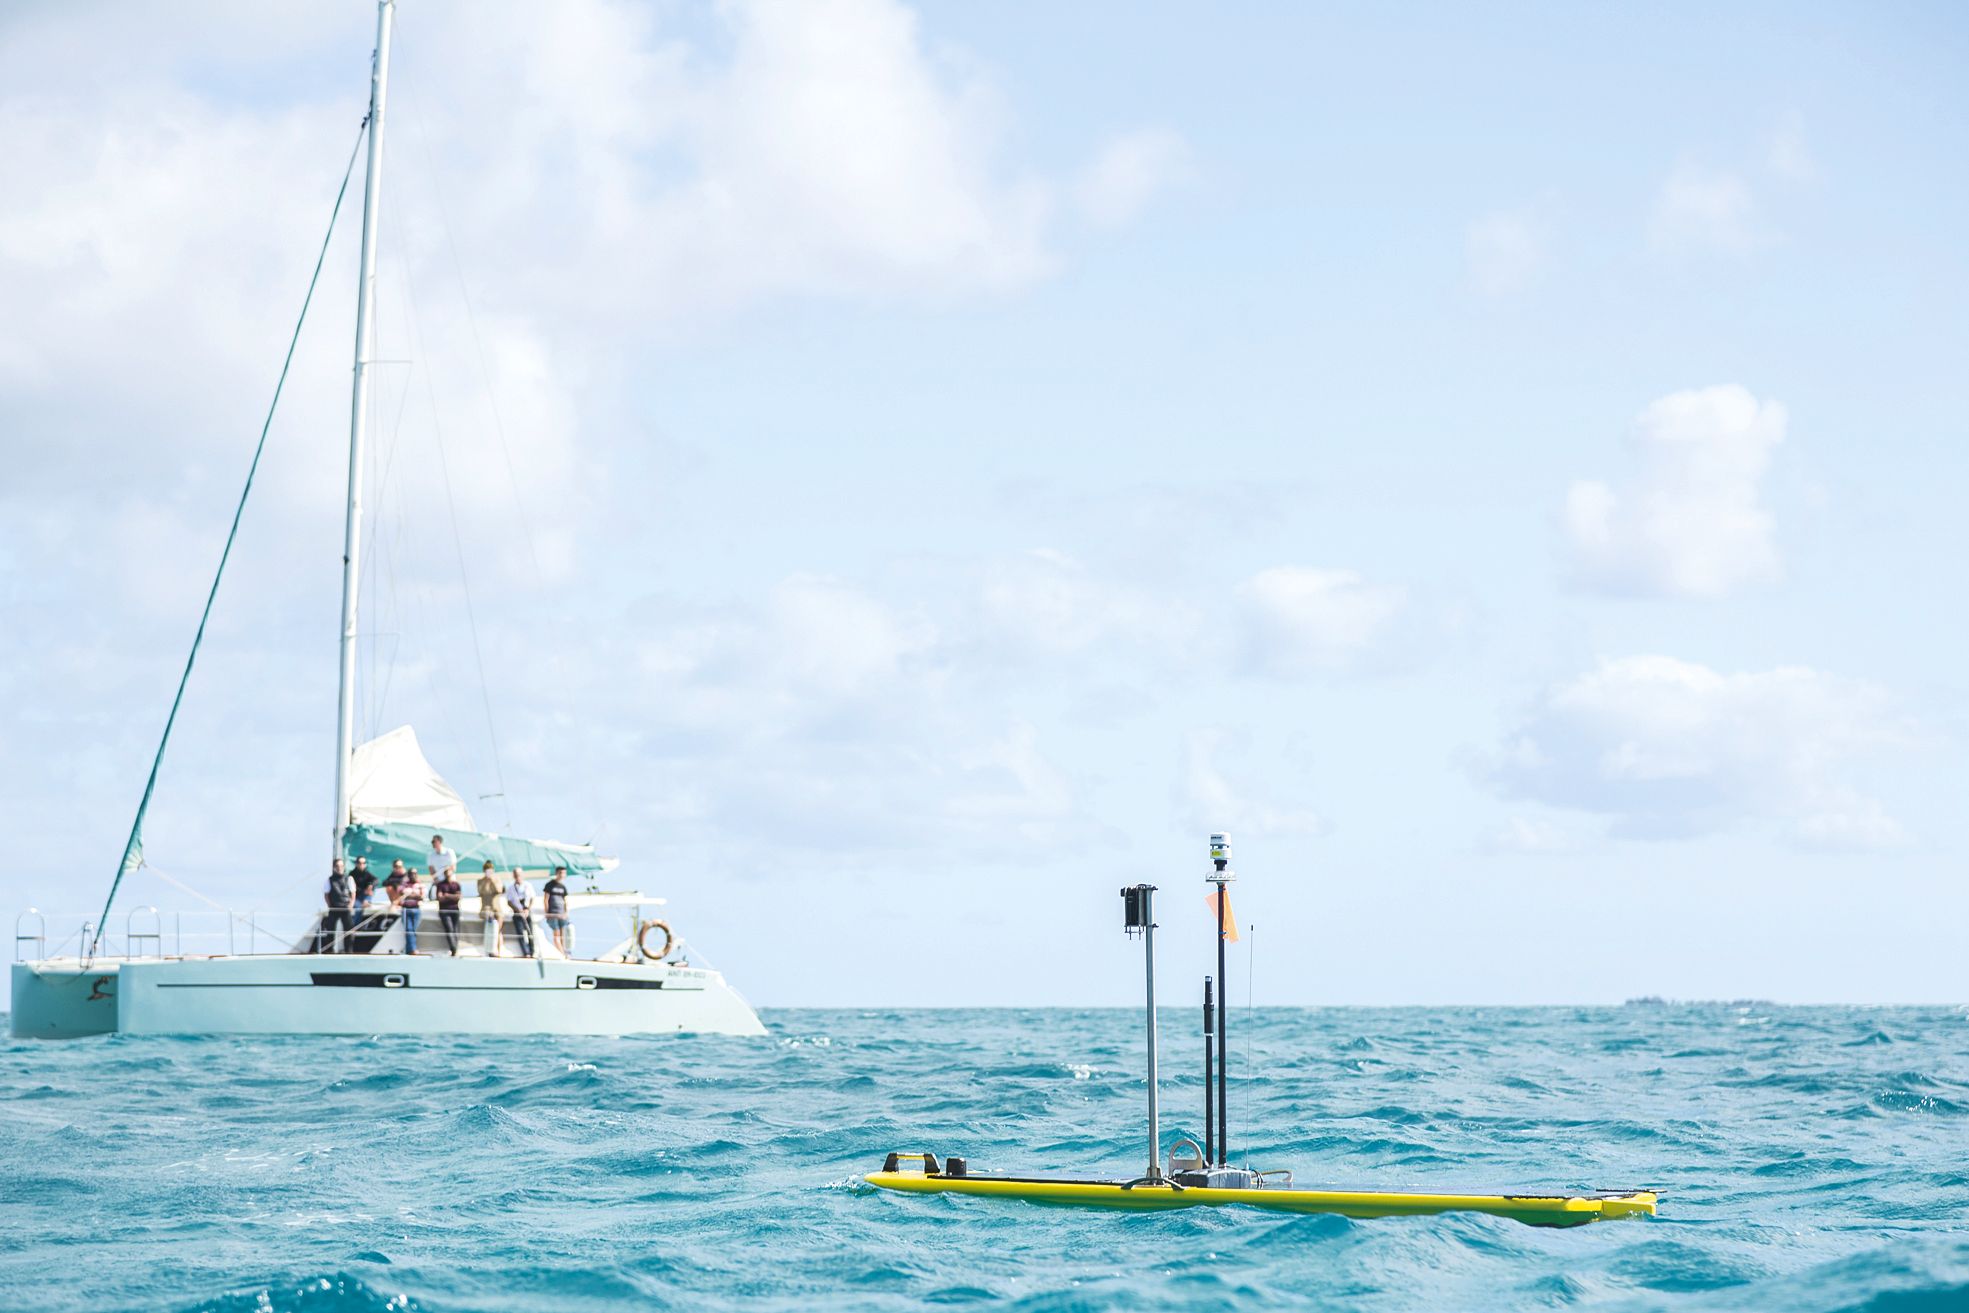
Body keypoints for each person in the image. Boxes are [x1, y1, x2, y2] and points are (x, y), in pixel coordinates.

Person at [320, 858, 355, 954]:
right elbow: (326, 894)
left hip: (346, 907)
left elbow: (353, 893)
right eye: (337, 866)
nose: (339, 868)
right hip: (334, 907)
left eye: (341, 866)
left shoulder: (349, 878)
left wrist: (351, 904)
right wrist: (330, 905)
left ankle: (349, 950)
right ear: (334, 867)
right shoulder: (329, 880)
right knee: (331, 929)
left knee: (349, 929)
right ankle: (329, 950)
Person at [431, 862, 463, 956]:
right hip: (444, 911)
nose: (448, 873)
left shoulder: (456, 884)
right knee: (449, 929)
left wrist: (447, 895)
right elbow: (440, 898)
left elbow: (458, 897)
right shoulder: (440, 885)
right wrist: (452, 897)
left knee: (456, 930)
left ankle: (455, 948)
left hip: (455, 909)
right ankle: (454, 949)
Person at [505, 867, 535, 958]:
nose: (518, 876)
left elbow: (532, 898)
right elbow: (509, 901)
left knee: (530, 933)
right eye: (516, 874)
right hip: (517, 913)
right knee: (520, 934)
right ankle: (526, 953)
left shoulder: (528, 885)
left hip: (527, 912)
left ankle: (532, 951)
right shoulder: (510, 888)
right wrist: (518, 910)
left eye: (519, 874)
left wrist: (527, 909)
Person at [476, 861, 504, 957]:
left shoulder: (497, 879)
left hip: (496, 909)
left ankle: (499, 952)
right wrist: (486, 881)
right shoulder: (480, 881)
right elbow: (480, 891)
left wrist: (492, 880)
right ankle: (489, 951)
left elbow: (499, 890)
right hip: (486, 909)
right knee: (489, 930)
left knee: (498, 931)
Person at [542, 864, 571, 956]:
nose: (562, 875)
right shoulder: (549, 885)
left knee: (562, 935)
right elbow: (546, 899)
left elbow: (565, 900)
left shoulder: (563, 887)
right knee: (557, 934)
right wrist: (547, 912)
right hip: (553, 914)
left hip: (561, 914)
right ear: (557, 873)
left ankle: (563, 951)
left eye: (564, 873)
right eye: (561, 873)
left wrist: (566, 912)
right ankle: (562, 953)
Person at [398, 868, 425, 954]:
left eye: (415, 873)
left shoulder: (420, 884)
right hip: (406, 909)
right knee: (409, 929)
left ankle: (409, 949)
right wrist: (415, 895)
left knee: (414, 930)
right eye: (411, 873)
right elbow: (401, 893)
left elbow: (421, 897)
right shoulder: (404, 884)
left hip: (416, 909)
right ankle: (413, 949)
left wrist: (410, 895)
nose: (413, 875)